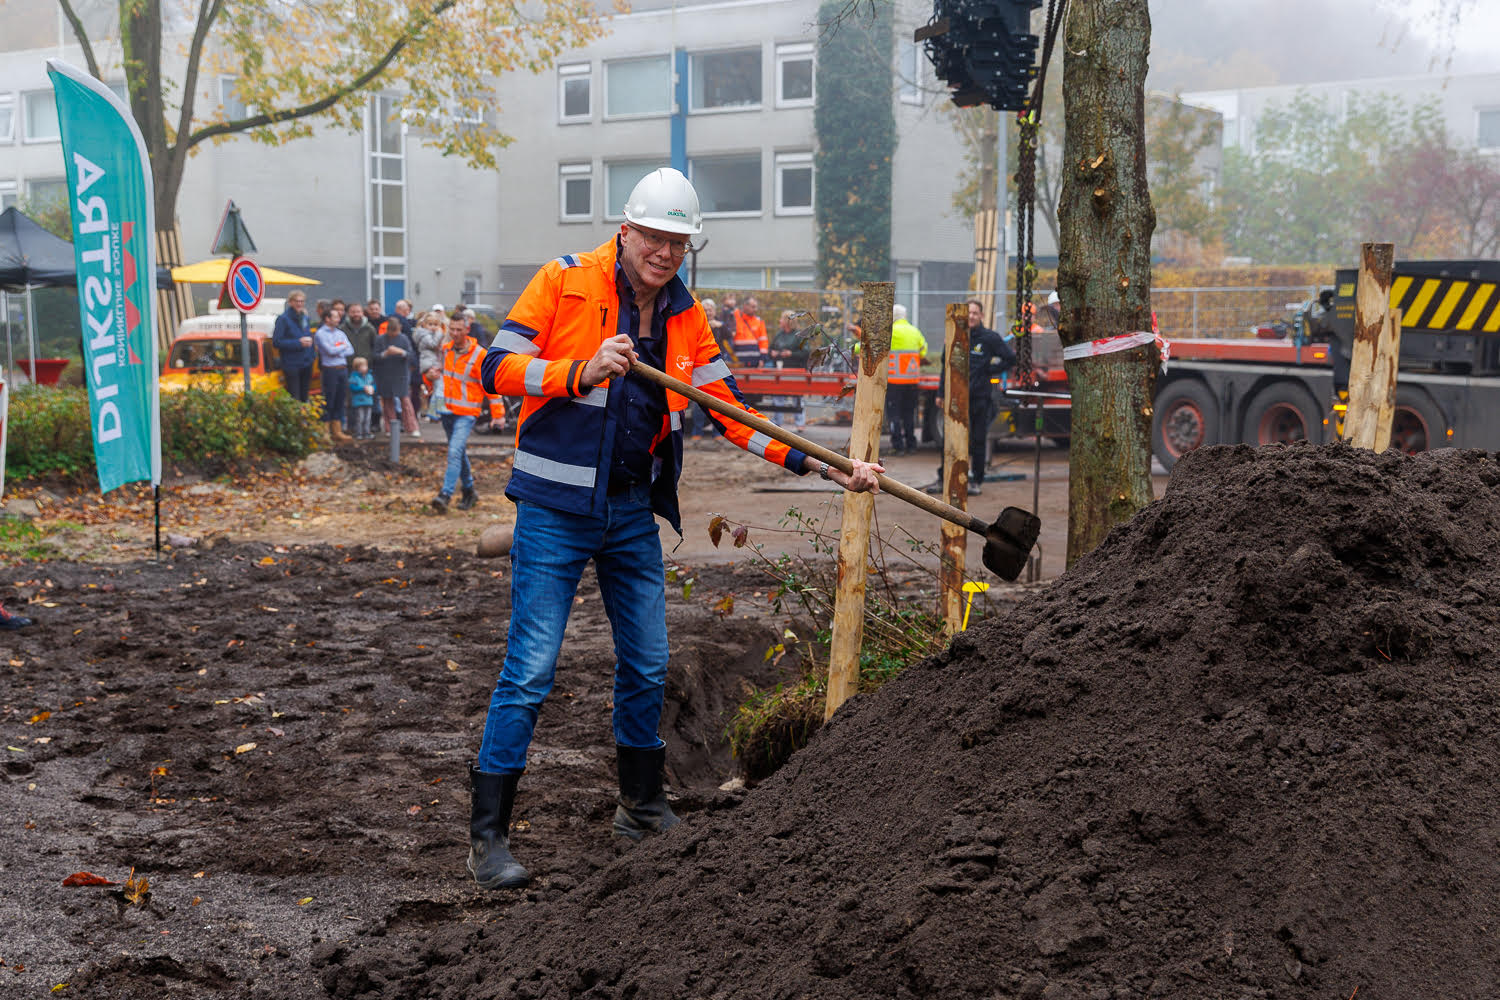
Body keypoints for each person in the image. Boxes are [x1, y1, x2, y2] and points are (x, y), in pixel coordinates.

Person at [467, 166, 882, 891]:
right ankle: (488, 840)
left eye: (679, 242)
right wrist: (579, 370)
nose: (664, 252)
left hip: (630, 511)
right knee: (530, 670)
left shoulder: (686, 316)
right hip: (554, 510)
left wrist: (824, 465)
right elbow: (493, 367)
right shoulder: (563, 282)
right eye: (654, 237)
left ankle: (642, 805)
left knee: (649, 663)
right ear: (625, 230)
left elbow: (729, 411)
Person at [939, 300, 1016, 495]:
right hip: (955, 398)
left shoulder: (989, 338)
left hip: (979, 397)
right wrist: (940, 393)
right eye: (969, 313)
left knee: (978, 440)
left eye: (975, 313)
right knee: (952, 439)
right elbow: (944, 366)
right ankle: (945, 477)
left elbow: (1010, 358)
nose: (971, 316)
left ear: (981, 316)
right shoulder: (955, 335)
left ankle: (976, 480)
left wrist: (989, 370)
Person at [431, 315, 486, 512]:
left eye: (458, 330)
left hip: (468, 412)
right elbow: (439, 379)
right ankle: (469, 491)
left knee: (454, 451)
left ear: (467, 330)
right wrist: (428, 377)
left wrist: (499, 414)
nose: (454, 334)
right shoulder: (445, 350)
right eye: (451, 330)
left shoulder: (479, 354)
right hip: (447, 410)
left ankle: (445, 494)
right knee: (458, 452)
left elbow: (490, 387)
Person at [887, 303, 928, 455]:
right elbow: (923, 350)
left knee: (894, 415)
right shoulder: (914, 331)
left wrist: (855, 349)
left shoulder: (890, 332)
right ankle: (911, 444)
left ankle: (898, 446)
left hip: (894, 382)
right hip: (912, 382)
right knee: (909, 414)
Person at [375, 316, 421, 437]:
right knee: (387, 402)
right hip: (385, 374)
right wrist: (385, 353)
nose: (394, 334)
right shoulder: (380, 339)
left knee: (405, 402)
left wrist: (401, 352)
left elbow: (411, 356)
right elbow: (374, 357)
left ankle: (412, 428)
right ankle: (389, 428)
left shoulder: (404, 339)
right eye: (392, 332)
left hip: (401, 374)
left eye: (396, 331)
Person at [314, 304, 354, 443]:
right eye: (335, 316)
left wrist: (338, 347)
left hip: (342, 368)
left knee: (340, 399)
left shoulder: (340, 333)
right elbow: (329, 351)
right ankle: (325, 431)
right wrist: (341, 347)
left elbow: (351, 350)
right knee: (328, 399)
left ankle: (337, 431)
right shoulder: (320, 334)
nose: (339, 319)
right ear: (327, 318)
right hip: (330, 370)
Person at [272, 290, 315, 402]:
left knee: (305, 396)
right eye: (297, 301)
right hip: (292, 364)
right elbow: (277, 342)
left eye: (302, 301)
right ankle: (297, 419)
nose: (299, 304)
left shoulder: (304, 317)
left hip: (306, 362)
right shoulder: (283, 319)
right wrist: (298, 343)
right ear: (290, 302)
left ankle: (304, 418)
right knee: (295, 396)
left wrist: (312, 355)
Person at [768, 309, 808, 429]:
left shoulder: (799, 335)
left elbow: (806, 352)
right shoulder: (779, 334)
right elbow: (770, 349)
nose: (779, 321)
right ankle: (777, 422)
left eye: (781, 319)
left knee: (797, 397)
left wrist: (791, 353)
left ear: (787, 321)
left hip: (795, 370)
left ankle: (800, 423)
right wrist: (773, 353)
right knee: (778, 395)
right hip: (780, 370)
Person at [413, 310, 448, 420]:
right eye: (430, 324)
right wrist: (440, 333)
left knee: (438, 387)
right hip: (430, 363)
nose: (433, 327)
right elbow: (433, 344)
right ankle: (440, 407)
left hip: (432, 362)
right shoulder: (424, 335)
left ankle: (433, 411)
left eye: (435, 325)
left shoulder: (427, 334)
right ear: (424, 324)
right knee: (440, 386)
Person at [730, 295, 769, 367]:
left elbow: (763, 342)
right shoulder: (734, 318)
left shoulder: (759, 321)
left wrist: (762, 359)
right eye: (753, 307)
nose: (756, 309)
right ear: (745, 306)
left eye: (756, 307)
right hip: (737, 361)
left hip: (755, 362)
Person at [348, 357, 376, 439]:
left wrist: (372, 388)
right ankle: (359, 433)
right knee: (360, 418)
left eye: (365, 366)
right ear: (357, 368)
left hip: (368, 401)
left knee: (368, 418)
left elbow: (374, 385)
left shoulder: (369, 376)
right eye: (362, 366)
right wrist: (363, 388)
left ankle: (367, 432)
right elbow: (352, 388)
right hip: (358, 401)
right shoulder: (354, 377)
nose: (365, 368)